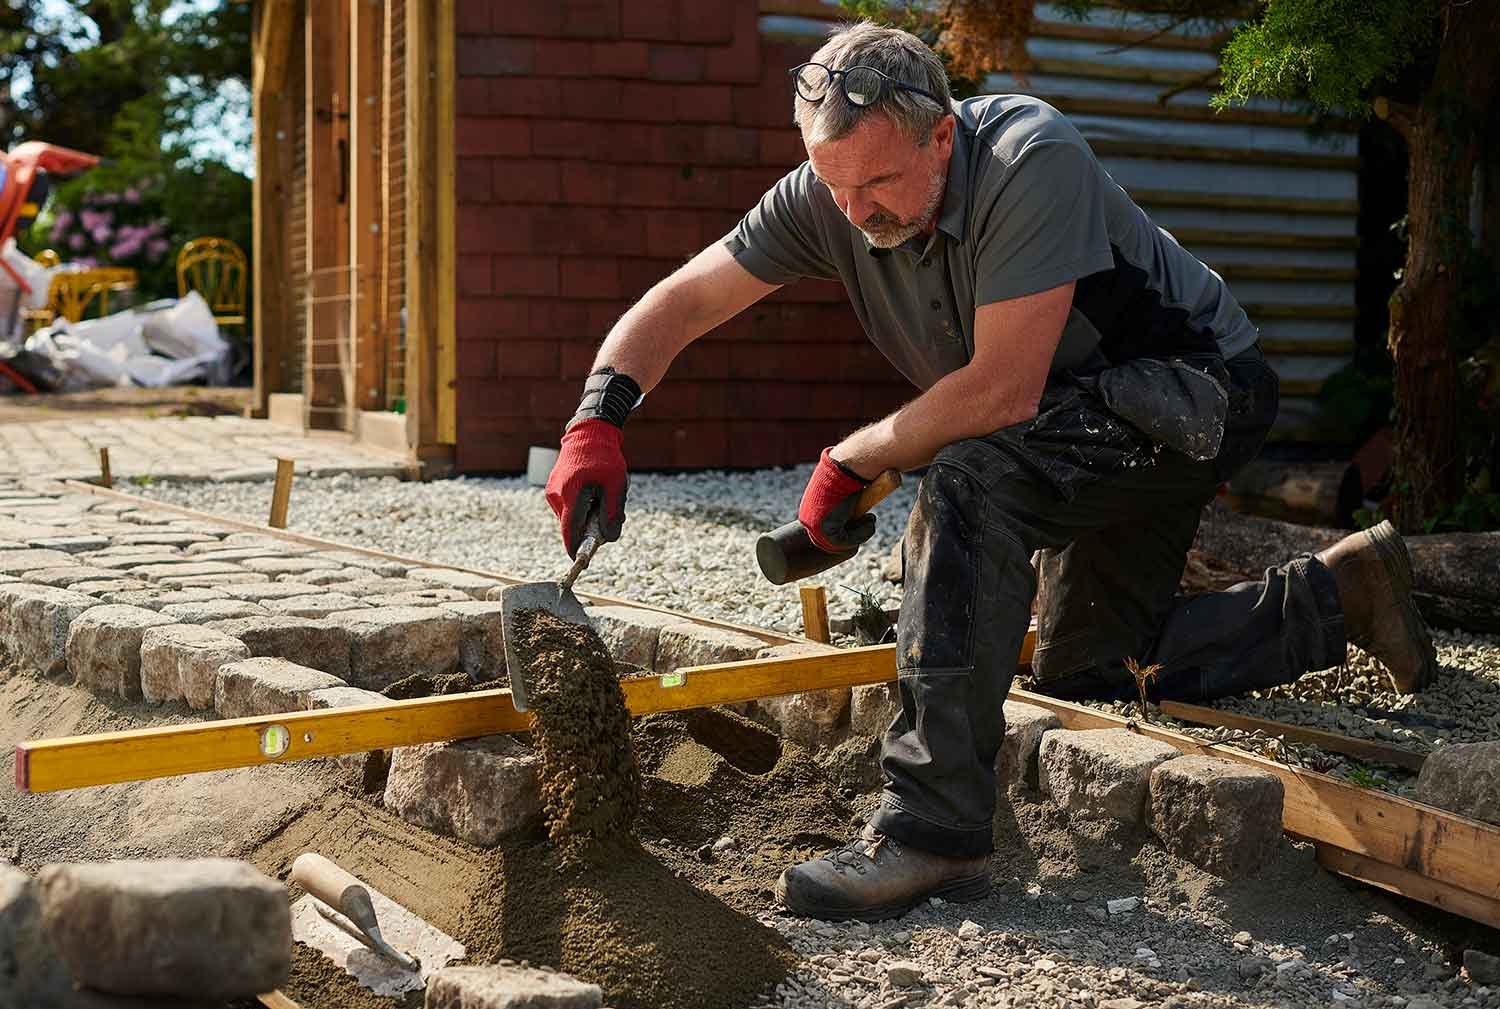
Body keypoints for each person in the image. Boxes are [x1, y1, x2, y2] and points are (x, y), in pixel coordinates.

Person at [543, 21, 1438, 922]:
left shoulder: (1028, 157)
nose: (854, 211)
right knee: (1090, 665)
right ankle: (1343, 594)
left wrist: (853, 457)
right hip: (1076, 409)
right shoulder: (837, 186)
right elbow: (683, 299)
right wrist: (596, 423)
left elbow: (1002, 391)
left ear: (942, 134)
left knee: (971, 479)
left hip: (1196, 391)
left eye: (880, 183)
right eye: (834, 183)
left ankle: (930, 828)